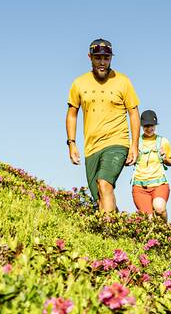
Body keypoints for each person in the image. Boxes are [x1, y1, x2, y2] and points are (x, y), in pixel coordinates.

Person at [66, 38, 140, 213]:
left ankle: (107, 234)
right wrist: (72, 142)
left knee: (104, 183)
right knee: (100, 196)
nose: (102, 62)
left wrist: (134, 145)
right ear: (90, 57)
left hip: (117, 142)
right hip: (91, 148)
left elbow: (134, 112)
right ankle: (121, 230)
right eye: (98, 57)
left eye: (106, 58)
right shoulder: (79, 83)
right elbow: (72, 114)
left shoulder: (123, 81)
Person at [130, 110, 171, 219]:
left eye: (152, 125)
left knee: (159, 208)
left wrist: (164, 158)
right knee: (148, 218)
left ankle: (164, 231)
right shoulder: (135, 142)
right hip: (140, 186)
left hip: (159, 183)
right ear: (141, 126)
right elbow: (128, 160)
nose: (149, 128)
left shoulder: (163, 141)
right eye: (146, 126)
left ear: (155, 125)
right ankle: (154, 236)